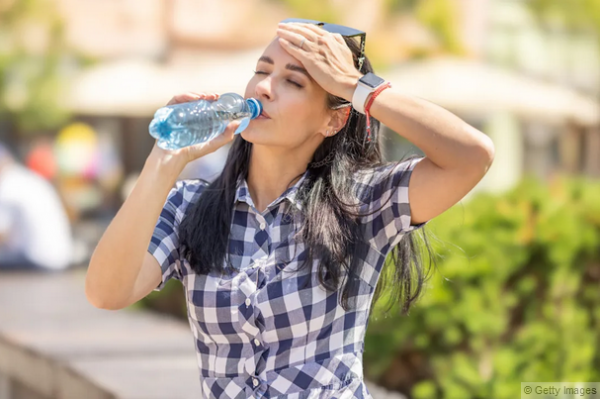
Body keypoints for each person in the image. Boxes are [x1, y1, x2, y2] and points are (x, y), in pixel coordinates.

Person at [86, 20, 495, 399]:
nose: (264, 88)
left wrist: (358, 87)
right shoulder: (190, 206)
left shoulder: (363, 204)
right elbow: (107, 292)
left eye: (293, 82)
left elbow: (472, 157)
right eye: (261, 71)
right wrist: (165, 161)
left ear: (334, 121)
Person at [0, 143, 73, 272]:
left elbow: (2, 233)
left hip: (37, 260)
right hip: (58, 257)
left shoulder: (8, 184)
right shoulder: (24, 178)